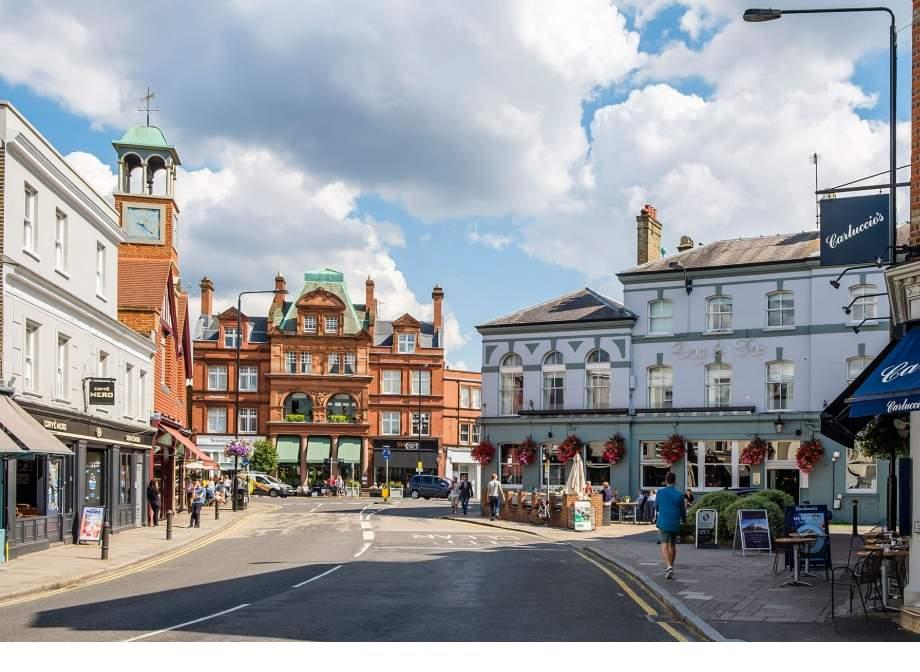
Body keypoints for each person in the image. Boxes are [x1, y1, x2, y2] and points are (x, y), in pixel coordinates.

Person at [655, 472, 687, 580]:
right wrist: (684, 520)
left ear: (666, 480)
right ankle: (671, 567)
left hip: (663, 522)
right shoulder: (679, 494)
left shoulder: (660, 492)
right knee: (672, 545)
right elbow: (683, 510)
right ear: (675, 480)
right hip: (675, 523)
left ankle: (668, 566)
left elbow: (656, 507)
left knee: (664, 544)